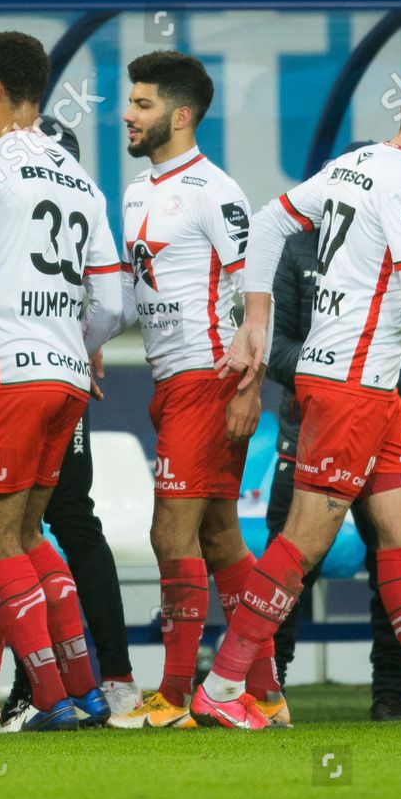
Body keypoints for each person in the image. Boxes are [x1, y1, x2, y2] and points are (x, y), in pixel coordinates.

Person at [206, 72, 401, 729]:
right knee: (300, 544)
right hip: (350, 389)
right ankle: (221, 685)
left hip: (371, 390)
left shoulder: (351, 165)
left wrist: (258, 316)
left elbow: (267, 223)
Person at [0, 31, 125, 731]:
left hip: (0, 375)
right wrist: (75, 348)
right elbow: (111, 302)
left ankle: (50, 699)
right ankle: (88, 687)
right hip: (68, 379)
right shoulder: (80, 175)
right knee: (36, 533)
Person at [105, 50, 284, 729]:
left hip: (209, 379)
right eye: (130, 101)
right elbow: (132, 292)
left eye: (143, 104)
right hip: (169, 380)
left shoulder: (216, 192)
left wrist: (248, 385)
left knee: (168, 531)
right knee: (219, 537)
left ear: (180, 116)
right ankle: (264, 691)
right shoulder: (135, 191)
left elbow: (251, 293)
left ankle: (176, 696)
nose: (128, 113)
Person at [266, 214, 401, 721]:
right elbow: (273, 349)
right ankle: (262, 687)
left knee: (399, 556)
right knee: (294, 560)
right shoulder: (300, 249)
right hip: (315, 431)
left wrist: (377, 382)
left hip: (400, 431)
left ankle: (393, 697)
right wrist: (349, 380)